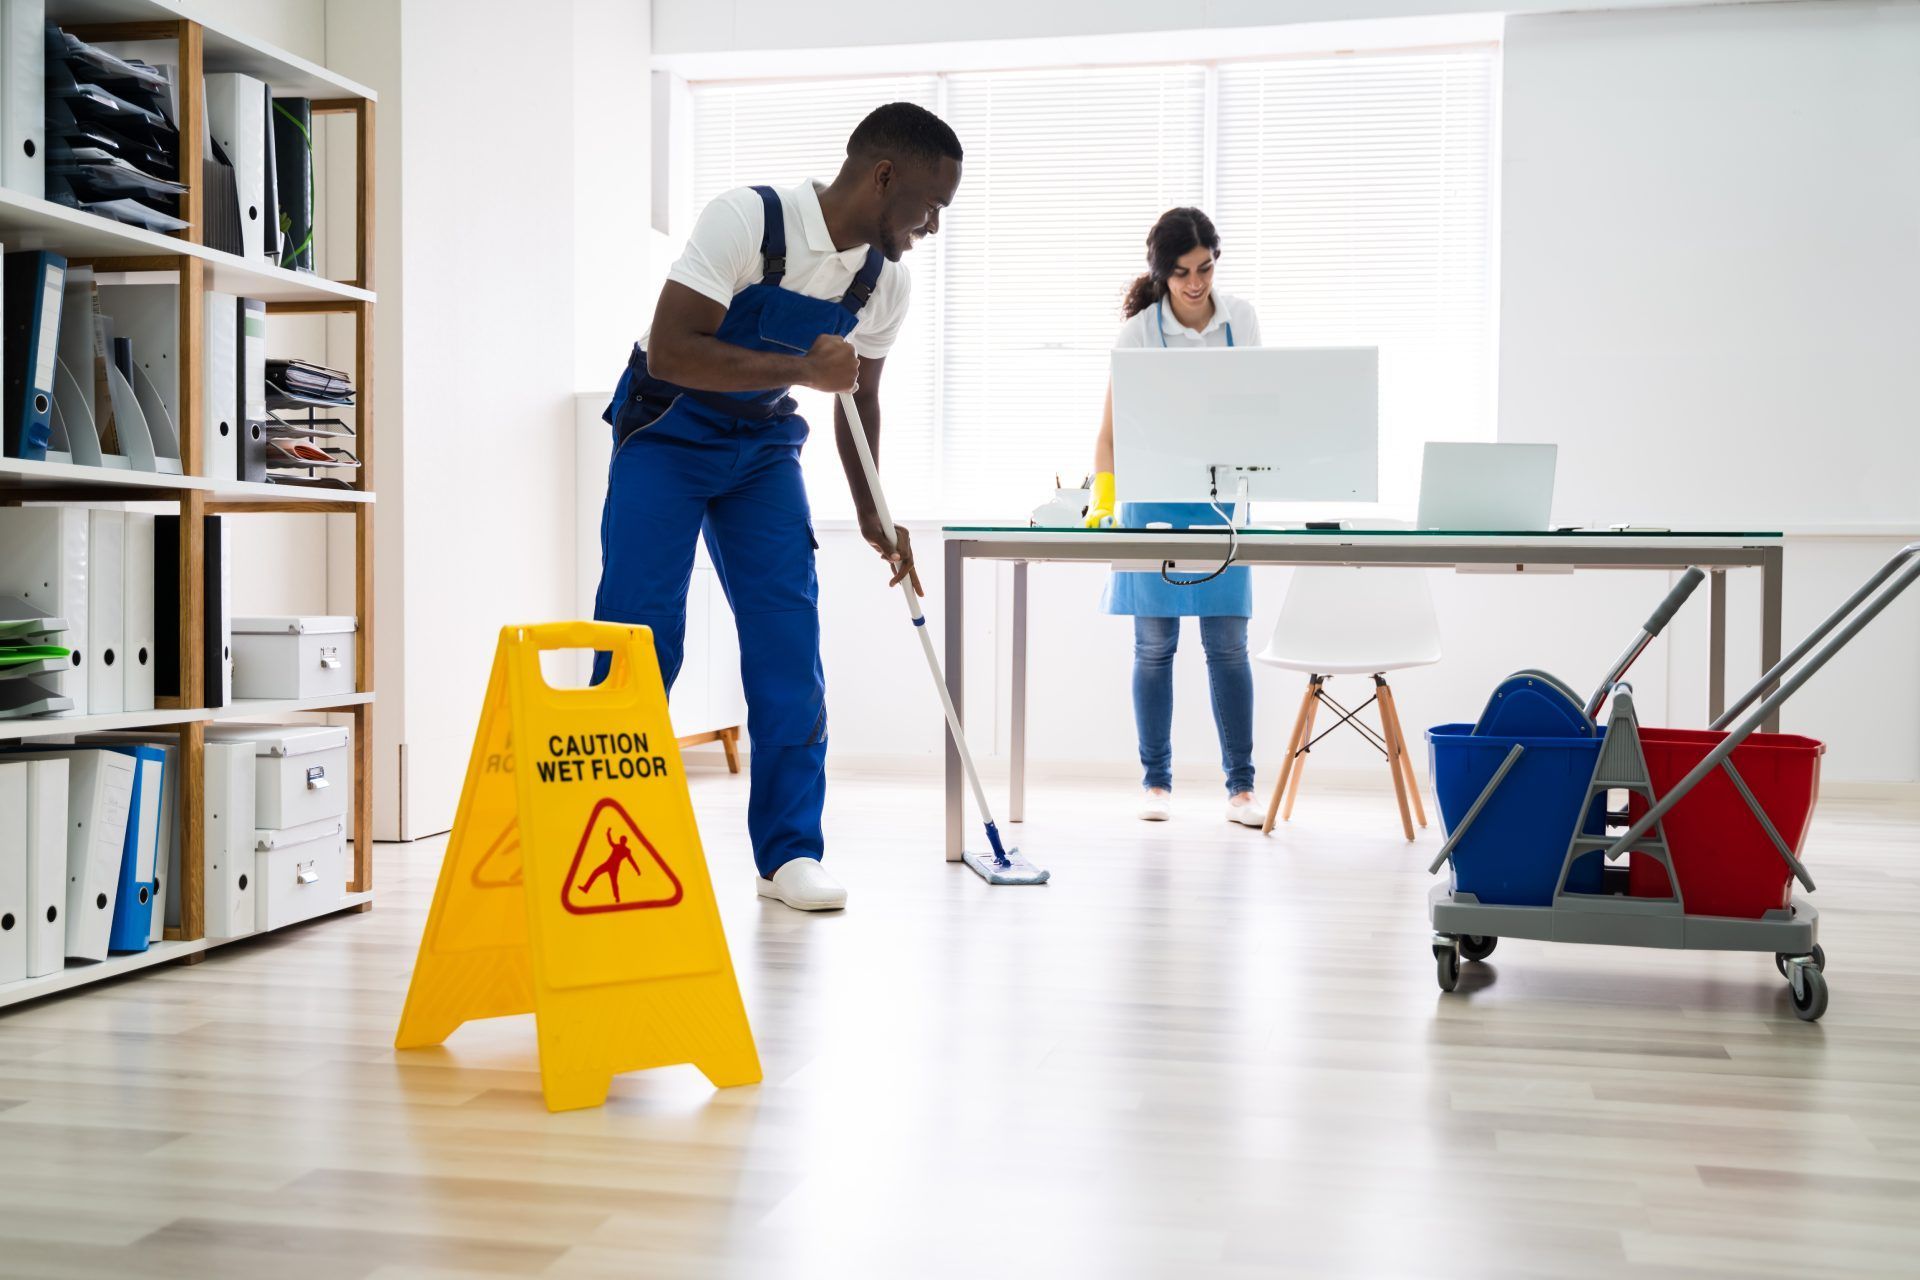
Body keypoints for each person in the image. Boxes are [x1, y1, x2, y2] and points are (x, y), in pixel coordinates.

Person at [593, 103, 963, 911]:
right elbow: (673, 349)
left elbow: (859, 401)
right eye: (930, 206)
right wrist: (801, 365)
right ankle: (600, 831)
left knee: (789, 645)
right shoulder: (747, 220)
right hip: (665, 432)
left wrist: (873, 512)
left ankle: (789, 855)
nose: (933, 226)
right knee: (641, 632)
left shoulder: (885, 282)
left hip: (762, 451)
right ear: (883, 177)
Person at [1083, 208, 1265, 826]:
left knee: (1228, 647)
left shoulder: (1241, 320)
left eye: (1206, 267)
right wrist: (1103, 505)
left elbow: (1259, 412)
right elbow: (1109, 435)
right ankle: (1155, 784)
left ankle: (1241, 789)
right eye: (1183, 272)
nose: (1196, 283)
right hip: (1152, 502)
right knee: (1154, 647)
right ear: (1161, 273)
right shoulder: (1138, 333)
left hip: (1220, 502)